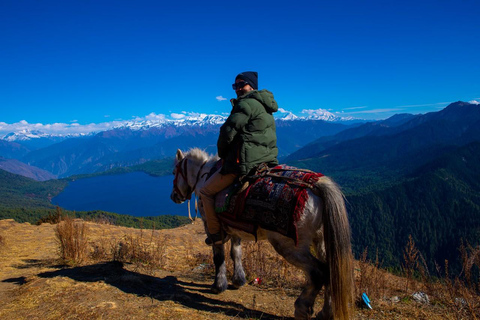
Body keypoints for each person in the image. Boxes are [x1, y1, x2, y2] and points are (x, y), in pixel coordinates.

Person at [199, 71, 279, 245]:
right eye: (235, 86)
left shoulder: (245, 104)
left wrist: (223, 154)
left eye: (242, 84)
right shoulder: (266, 106)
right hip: (266, 160)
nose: (238, 89)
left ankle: (216, 234)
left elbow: (227, 132)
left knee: (205, 191)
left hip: (245, 163)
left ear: (251, 85)